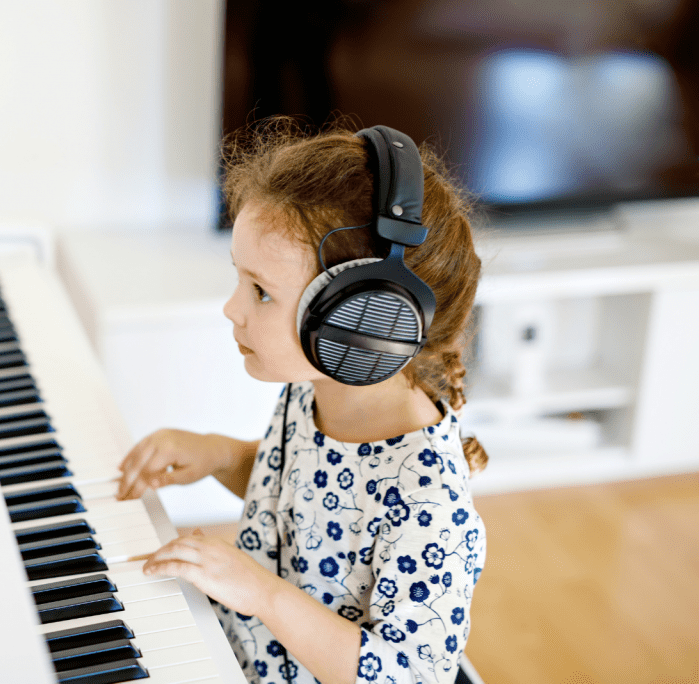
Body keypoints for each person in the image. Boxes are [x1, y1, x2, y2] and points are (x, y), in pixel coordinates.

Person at [116, 118, 488, 684]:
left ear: (359, 317)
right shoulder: (313, 390)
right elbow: (307, 505)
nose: (232, 309)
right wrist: (221, 456)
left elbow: (403, 676)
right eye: (240, 280)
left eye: (261, 291)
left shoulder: (430, 502)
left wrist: (260, 593)